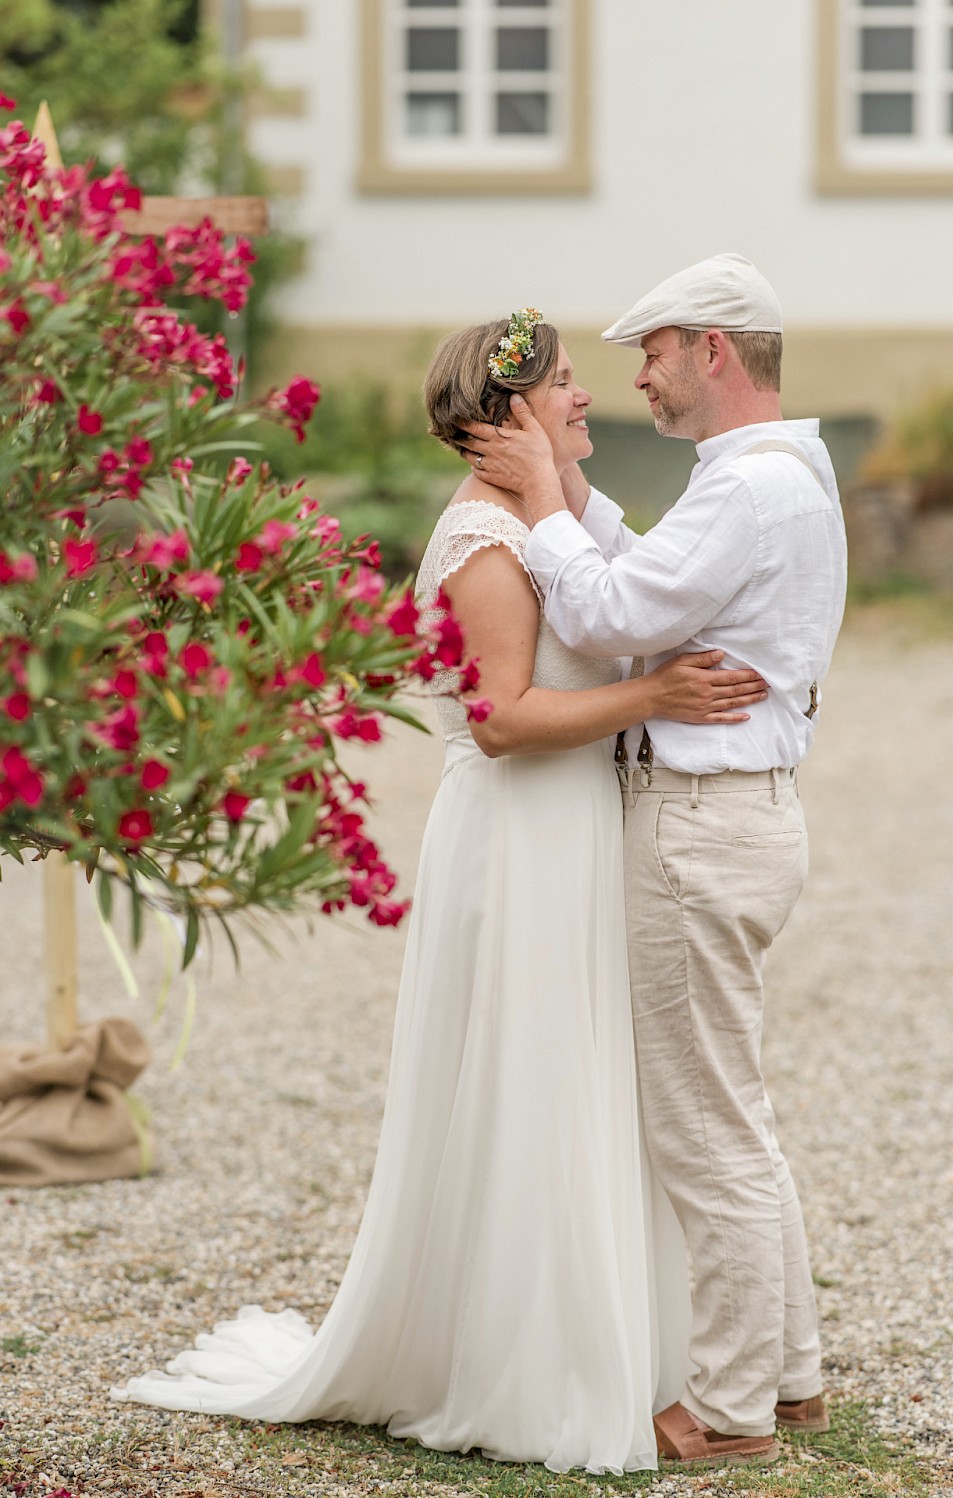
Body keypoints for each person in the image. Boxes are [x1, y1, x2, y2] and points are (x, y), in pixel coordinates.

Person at [111, 311, 771, 1473]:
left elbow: (645, 582)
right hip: (521, 838)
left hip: (577, 832)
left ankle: (625, 1344)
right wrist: (652, 697)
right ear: (508, 413)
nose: (585, 397)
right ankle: (520, 1364)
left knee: (585, 1083)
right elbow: (504, 718)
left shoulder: (556, 518)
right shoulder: (484, 540)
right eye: (564, 384)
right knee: (528, 1083)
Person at [461, 254, 848, 1468]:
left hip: (699, 822)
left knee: (703, 1131)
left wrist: (535, 503)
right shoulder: (774, 470)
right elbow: (647, 573)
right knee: (737, 1112)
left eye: (654, 353)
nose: (637, 378)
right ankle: (789, 1380)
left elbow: (613, 616)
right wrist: (564, 498)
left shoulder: (747, 488)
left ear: (711, 351)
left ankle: (728, 1410)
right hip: (741, 815)